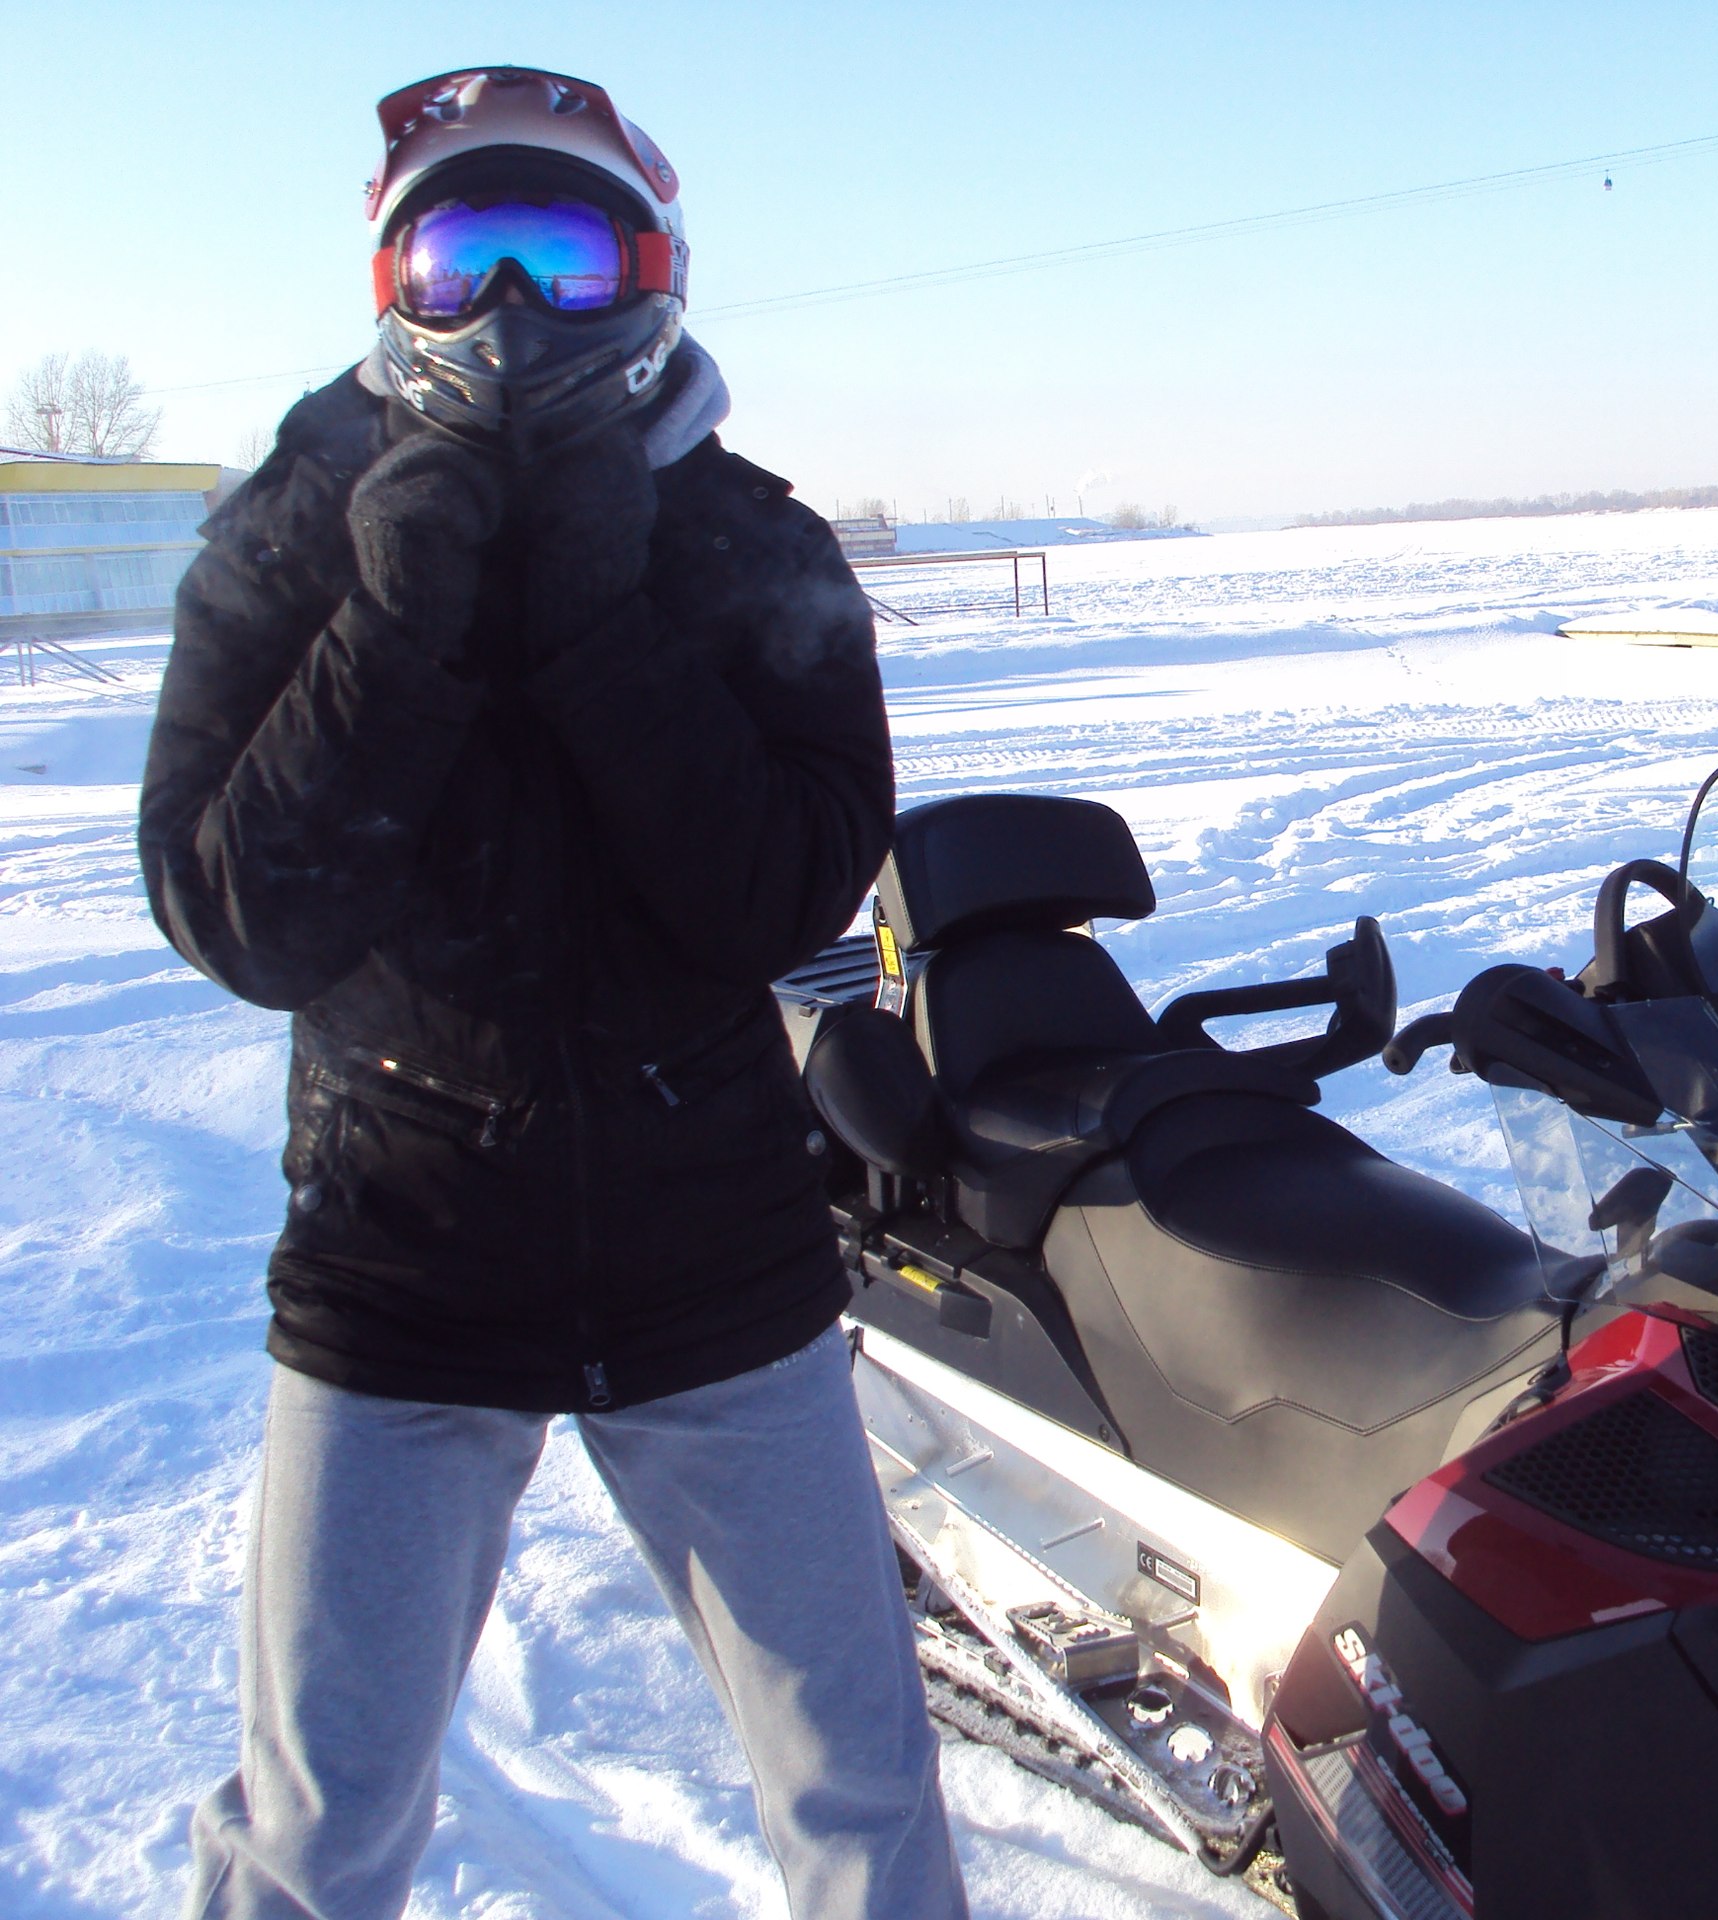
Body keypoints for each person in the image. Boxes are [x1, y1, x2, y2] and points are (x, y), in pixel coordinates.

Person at [138, 68, 966, 1919]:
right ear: (393, 286)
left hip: (716, 1268)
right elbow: (241, 917)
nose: (511, 311)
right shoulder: (291, 534)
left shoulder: (748, 543)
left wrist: (606, 630)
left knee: (862, 1796)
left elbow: (781, 893)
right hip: (400, 1270)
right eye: (463, 259)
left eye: (562, 258)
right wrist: (392, 625)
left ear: (651, 273)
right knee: (316, 1830)